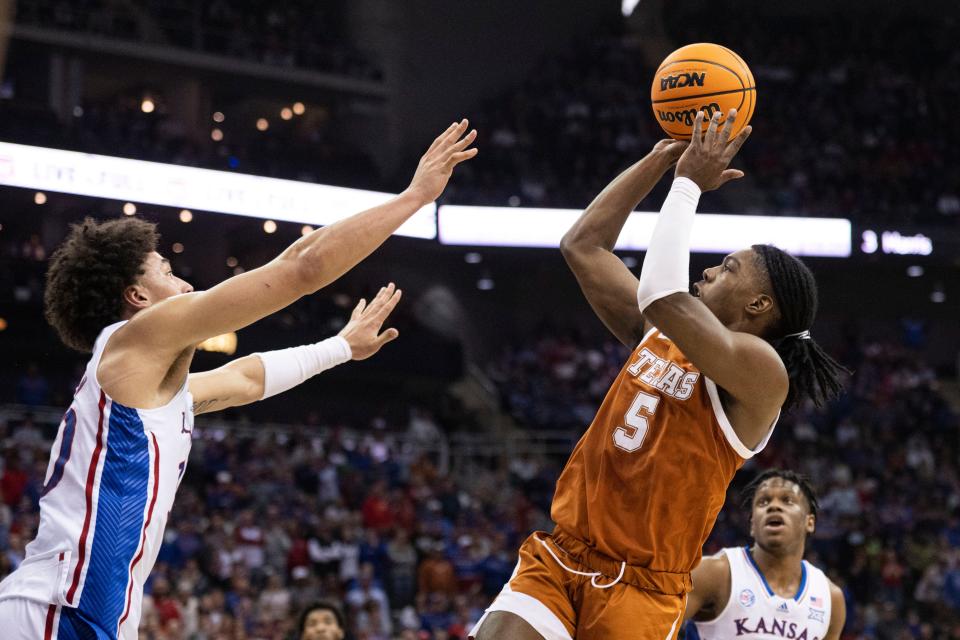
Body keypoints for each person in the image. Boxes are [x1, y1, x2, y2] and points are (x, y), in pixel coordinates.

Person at [0, 120, 478, 639]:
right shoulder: (136, 336)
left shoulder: (144, 392)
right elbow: (302, 266)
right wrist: (413, 198)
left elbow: (246, 379)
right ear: (137, 297)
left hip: (87, 612)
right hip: (59, 606)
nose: (183, 282)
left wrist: (340, 347)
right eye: (165, 270)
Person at [471, 109, 846, 640]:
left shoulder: (762, 371)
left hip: (643, 590)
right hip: (564, 555)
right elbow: (582, 246)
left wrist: (689, 184)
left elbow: (663, 294)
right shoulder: (660, 331)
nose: (711, 270)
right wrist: (659, 161)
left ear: (760, 304)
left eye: (729, 268)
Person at [684, 469, 846, 639]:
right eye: (763, 502)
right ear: (753, 524)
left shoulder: (831, 598)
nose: (773, 506)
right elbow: (657, 624)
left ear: (810, 522)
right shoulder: (716, 574)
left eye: (788, 500)